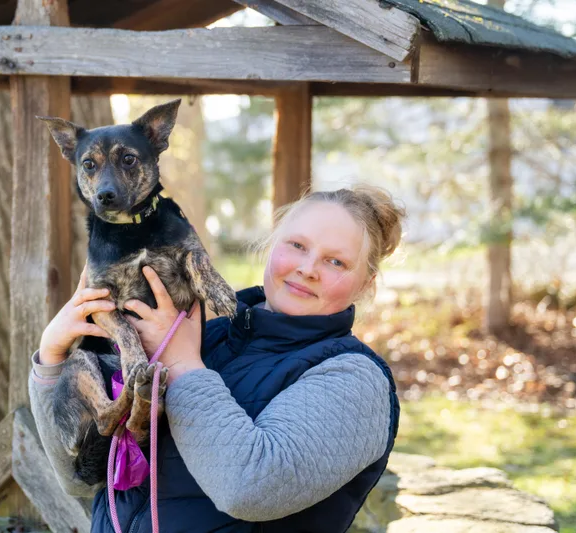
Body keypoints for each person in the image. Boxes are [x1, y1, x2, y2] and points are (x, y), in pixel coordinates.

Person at [29, 185, 405, 533]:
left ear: (366, 284)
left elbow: (248, 489)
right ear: (272, 244)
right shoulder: (200, 336)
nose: (308, 268)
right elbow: (81, 475)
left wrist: (181, 363)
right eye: (297, 245)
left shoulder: (354, 378)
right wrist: (53, 360)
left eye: (336, 262)